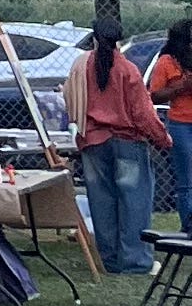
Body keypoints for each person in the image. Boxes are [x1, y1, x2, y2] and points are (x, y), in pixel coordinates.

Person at [65, 25, 164, 273]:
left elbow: (68, 97)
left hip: (93, 142)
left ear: (94, 40)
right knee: (134, 202)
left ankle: (108, 259)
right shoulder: (127, 69)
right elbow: (142, 113)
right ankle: (135, 261)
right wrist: (162, 139)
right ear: (119, 41)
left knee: (101, 202)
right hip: (127, 142)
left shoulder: (81, 66)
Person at [145, 19, 192, 237]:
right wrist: (182, 86)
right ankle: (189, 225)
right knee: (186, 178)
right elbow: (155, 95)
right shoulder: (166, 62)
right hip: (181, 124)